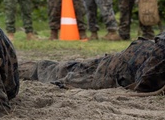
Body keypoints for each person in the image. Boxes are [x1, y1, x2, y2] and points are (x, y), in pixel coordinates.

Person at [22, 31, 165, 92]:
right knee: (67, 72)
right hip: (122, 67)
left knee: (76, 68)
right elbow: (145, 82)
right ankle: (17, 67)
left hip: (135, 58)